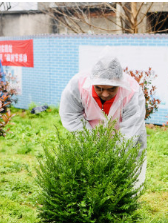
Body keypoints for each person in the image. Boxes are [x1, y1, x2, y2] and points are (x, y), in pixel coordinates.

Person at [59, 54, 147, 186]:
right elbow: (70, 116)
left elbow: (130, 131)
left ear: (120, 83)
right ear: (92, 82)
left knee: (126, 182)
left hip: (126, 139)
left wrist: (113, 158)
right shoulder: (77, 86)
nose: (105, 94)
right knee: (88, 180)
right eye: (99, 88)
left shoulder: (132, 91)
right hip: (89, 136)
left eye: (111, 89)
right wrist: (91, 142)